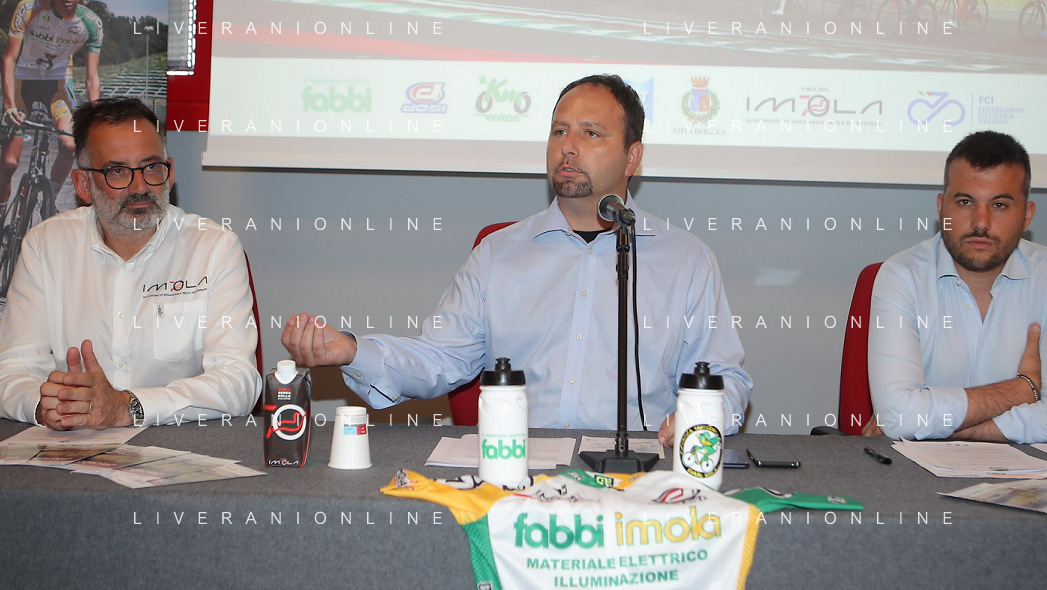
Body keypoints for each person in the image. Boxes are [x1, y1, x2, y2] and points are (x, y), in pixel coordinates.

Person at [282, 75, 752, 444]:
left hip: (637, 480)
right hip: (516, 473)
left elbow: (725, 377)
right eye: (559, 131)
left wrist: (700, 420)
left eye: (590, 133)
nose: (568, 146)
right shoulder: (498, 254)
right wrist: (353, 350)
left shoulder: (686, 260)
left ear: (632, 158)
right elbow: (441, 357)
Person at [0, 97, 261, 430]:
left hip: (176, 443)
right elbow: (11, 371)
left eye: (151, 167)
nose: (140, 186)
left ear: (170, 172)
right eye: (117, 171)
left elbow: (239, 381)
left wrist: (127, 406)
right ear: (83, 185)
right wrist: (48, 405)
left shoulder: (213, 247)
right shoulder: (45, 245)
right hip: (72, 443)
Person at [866, 131, 1047, 443]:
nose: (981, 222)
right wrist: (1023, 389)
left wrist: (935, 427)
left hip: (1025, 470)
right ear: (941, 208)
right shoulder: (901, 275)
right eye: (965, 202)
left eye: (999, 204)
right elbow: (900, 417)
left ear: (1027, 215)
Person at [0, 0, 102, 271]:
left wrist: (96, 116)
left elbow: (91, 77)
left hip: (56, 86)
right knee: (10, 162)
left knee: (69, 144)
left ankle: (48, 201)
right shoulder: (29, 8)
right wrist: (9, 104)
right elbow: (8, 59)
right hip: (23, 82)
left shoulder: (91, 24)